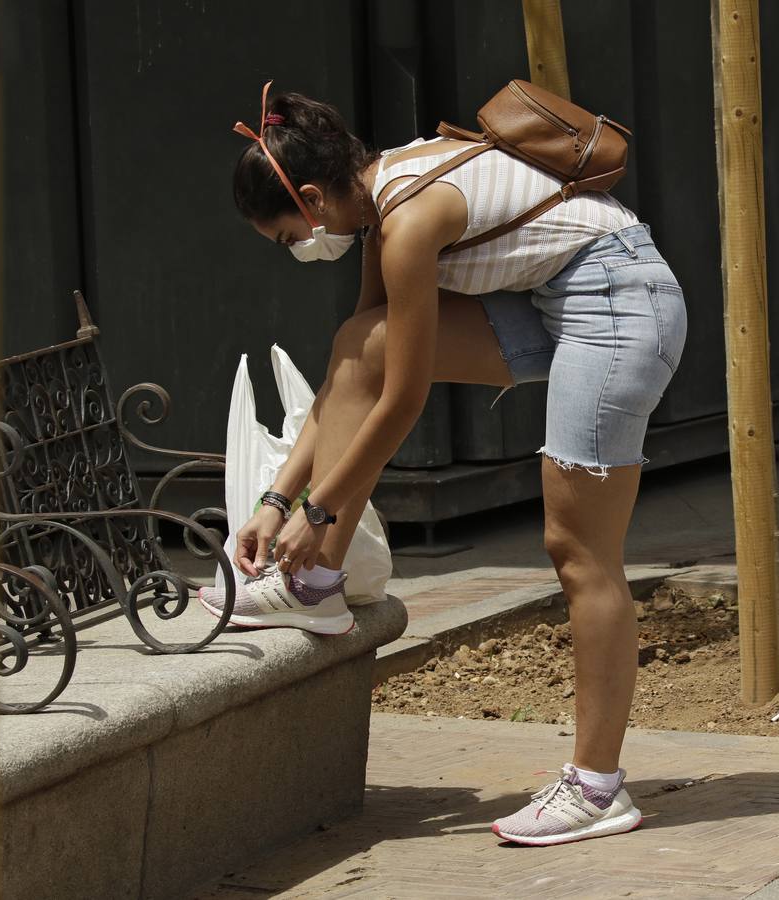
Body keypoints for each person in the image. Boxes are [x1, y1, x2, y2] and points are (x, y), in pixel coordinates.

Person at [200, 82, 687, 846]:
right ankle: (317, 584)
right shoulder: (376, 206)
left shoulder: (406, 219)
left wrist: (318, 509)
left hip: (622, 302)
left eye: (287, 235)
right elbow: (358, 368)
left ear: (315, 198)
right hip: (555, 298)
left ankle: (598, 789)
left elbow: (404, 400)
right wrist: (276, 499)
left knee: (580, 550)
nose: (296, 249)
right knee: (358, 345)